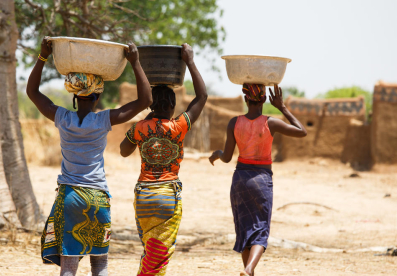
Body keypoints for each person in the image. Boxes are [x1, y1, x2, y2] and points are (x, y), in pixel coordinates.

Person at [27, 36, 152, 276]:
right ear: (97, 96)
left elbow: (32, 91)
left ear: (75, 96)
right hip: (98, 197)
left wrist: (43, 55)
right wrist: (135, 63)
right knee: (100, 264)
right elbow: (145, 100)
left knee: (69, 265)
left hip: (70, 197)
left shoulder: (62, 117)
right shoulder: (104, 120)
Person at [120, 43, 207, 276]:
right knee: (159, 256)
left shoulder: (138, 128)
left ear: (150, 105)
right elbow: (202, 96)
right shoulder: (179, 126)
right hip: (168, 196)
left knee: (151, 251)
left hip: (144, 196)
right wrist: (189, 61)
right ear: (172, 105)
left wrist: (147, 118)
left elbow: (123, 150)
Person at [209, 84, 307, 276]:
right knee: (260, 229)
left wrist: (217, 154)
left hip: (240, 180)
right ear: (264, 100)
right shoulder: (271, 122)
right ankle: (249, 269)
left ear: (246, 99)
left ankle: (248, 272)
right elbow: (302, 131)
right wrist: (282, 107)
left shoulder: (234, 123)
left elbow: (227, 157)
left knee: (245, 229)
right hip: (261, 181)